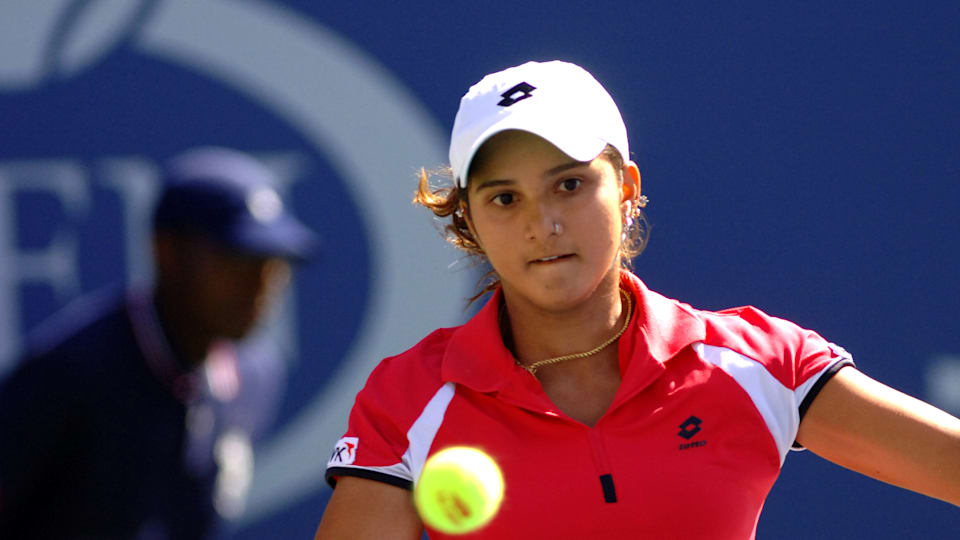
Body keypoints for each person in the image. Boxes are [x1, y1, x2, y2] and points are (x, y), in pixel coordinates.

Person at [316, 61, 960, 539]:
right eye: (505, 198)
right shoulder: (407, 399)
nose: (544, 224)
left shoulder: (759, 364)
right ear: (470, 221)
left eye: (569, 184)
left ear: (625, 188)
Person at [0, 147, 316, 539]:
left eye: (274, 264)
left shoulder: (257, 376)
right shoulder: (67, 377)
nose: (260, 285)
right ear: (166, 251)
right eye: (237, 259)